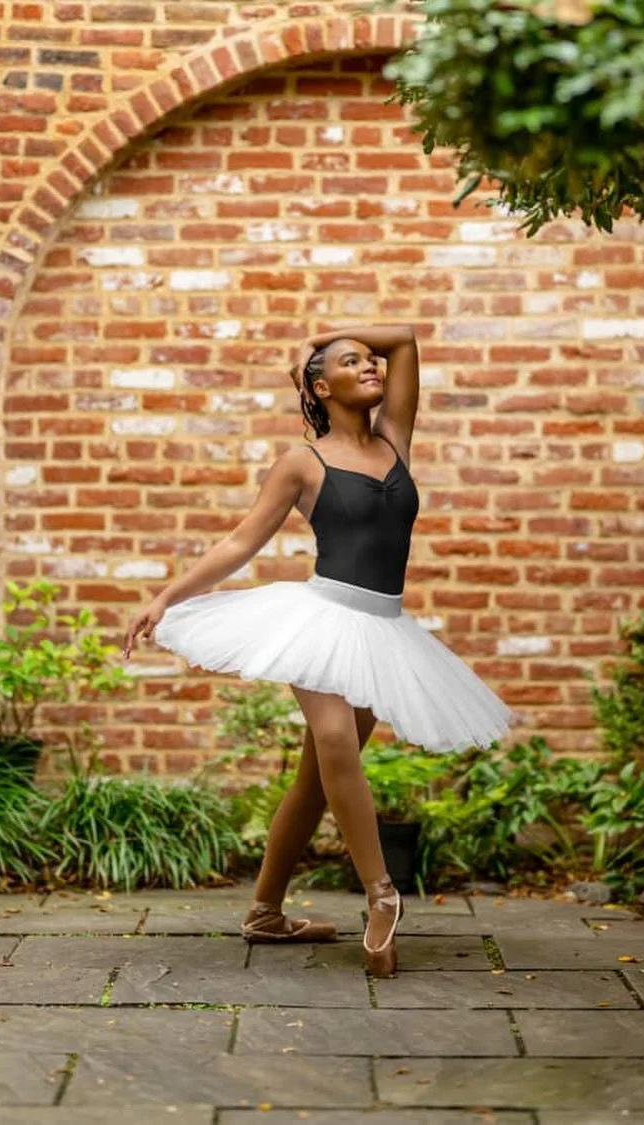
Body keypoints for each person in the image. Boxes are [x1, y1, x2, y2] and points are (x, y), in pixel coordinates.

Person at [122, 324, 514, 977]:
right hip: (322, 620)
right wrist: (165, 597)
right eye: (349, 363)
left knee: (314, 780)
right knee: (334, 740)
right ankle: (382, 894)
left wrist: (325, 339)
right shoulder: (302, 462)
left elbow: (405, 342)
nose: (370, 367)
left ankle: (265, 912)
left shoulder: (394, 439)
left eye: (369, 362)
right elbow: (240, 542)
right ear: (321, 387)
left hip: (382, 631)